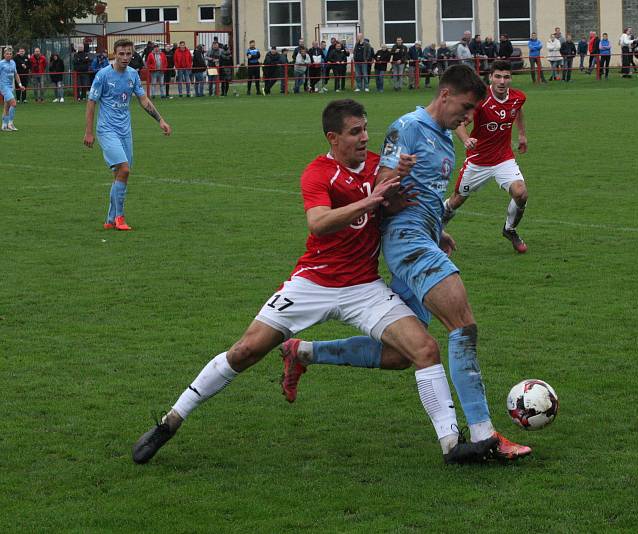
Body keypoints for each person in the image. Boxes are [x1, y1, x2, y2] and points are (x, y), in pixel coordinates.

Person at [131, 98, 500, 466]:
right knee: (246, 350)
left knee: (423, 350)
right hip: (312, 283)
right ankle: (170, 421)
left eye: (365, 129)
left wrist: (429, 231)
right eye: (354, 132)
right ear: (333, 137)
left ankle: (453, 446)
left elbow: (398, 206)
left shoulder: (377, 166)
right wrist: (371, 201)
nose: (364, 138)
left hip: (363, 287)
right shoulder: (317, 173)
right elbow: (319, 222)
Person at [283, 66, 532, 461]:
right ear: (446, 94)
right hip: (406, 243)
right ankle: (485, 436)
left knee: (403, 354)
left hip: (421, 239)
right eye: (466, 108)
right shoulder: (409, 127)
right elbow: (383, 191)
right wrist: (398, 187)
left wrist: (436, 231)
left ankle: (304, 351)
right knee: (462, 325)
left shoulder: (446, 141)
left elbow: (425, 197)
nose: (468, 117)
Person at [84, 38, 172, 231]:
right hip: (107, 130)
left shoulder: (133, 75)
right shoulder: (103, 76)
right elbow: (91, 103)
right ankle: (120, 218)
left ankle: (109, 219)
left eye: (128, 54)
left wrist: (161, 120)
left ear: (133, 54)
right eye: (121, 54)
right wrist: (89, 132)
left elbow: (143, 100)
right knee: (124, 170)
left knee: (120, 175)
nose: (125, 57)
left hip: (125, 131)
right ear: (114, 54)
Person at [441, 60, 528, 254]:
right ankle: (435, 227)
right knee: (456, 200)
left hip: (504, 158)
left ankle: (510, 229)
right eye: (498, 76)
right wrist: (465, 139)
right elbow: (460, 121)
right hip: (478, 161)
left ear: (511, 79)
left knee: (521, 193)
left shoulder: (517, 97)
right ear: (491, 77)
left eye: (506, 77)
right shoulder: (481, 100)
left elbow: (518, 110)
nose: (502, 81)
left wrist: (521, 134)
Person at [1, 47, 25, 131]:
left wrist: (20, 84)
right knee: (14, 104)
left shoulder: (13, 63)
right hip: (4, 87)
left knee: (6, 107)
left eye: (10, 54)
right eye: (7, 54)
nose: (9, 55)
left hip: (10, 87)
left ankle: (4, 126)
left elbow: (16, 74)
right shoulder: (1, 63)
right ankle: (10, 124)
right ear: (4, 55)